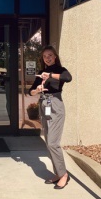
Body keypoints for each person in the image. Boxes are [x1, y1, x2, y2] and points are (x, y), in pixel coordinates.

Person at [29, 45, 72, 189]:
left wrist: (51, 76)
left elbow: (68, 77)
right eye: (45, 56)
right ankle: (58, 173)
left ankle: (64, 174)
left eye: (50, 55)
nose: (47, 58)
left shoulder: (60, 70)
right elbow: (30, 92)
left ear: (55, 57)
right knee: (48, 142)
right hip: (44, 104)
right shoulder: (41, 72)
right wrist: (37, 90)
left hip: (55, 105)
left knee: (53, 143)